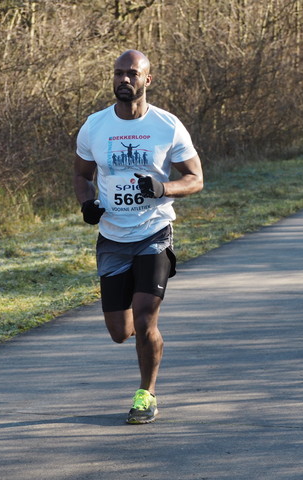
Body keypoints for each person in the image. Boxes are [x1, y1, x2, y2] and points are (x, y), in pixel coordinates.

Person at [73, 49, 203, 424]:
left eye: (132, 74)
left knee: (146, 319)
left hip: (153, 232)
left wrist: (163, 189)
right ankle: (134, 319)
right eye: (118, 73)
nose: (124, 80)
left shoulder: (167, 125)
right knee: (120, 331)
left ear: (148, 80)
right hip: (112, 236)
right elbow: (81, 175)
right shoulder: (94, 126)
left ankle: (146, 395)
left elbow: (196, 179)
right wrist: (87, 203)